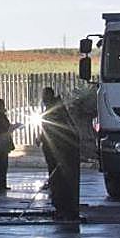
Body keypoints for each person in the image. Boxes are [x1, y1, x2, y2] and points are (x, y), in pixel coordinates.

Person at [39, 86, 81, 223]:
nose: (43, 99)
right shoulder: (53, 109)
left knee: (60, 181)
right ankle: (61, 208)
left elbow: (56, 130)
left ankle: (64, 209)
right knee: (57, 180)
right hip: (54, 150)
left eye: (44, 96)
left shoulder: (56, 110)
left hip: (59, 151)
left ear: (49, 96)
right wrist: (41, 138)